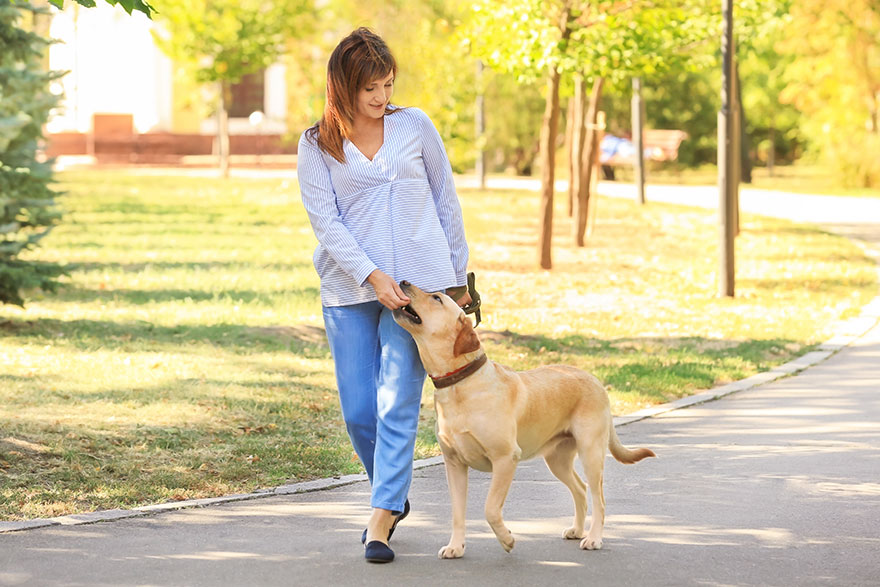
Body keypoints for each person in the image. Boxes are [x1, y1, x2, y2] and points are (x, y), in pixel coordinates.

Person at [297, 27, 471, 564]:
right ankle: (390, 490)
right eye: (370, 87)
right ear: (342, 86)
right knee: (358, 410)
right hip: (350, 287)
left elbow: (446, 199)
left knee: (397, 401)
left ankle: (381, 517)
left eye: (387, 85)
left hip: (420, 289)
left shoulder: (414, 126)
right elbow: (327, 223)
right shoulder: (316, 144)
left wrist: (459, 278)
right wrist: (373, 276)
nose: (381, 98)